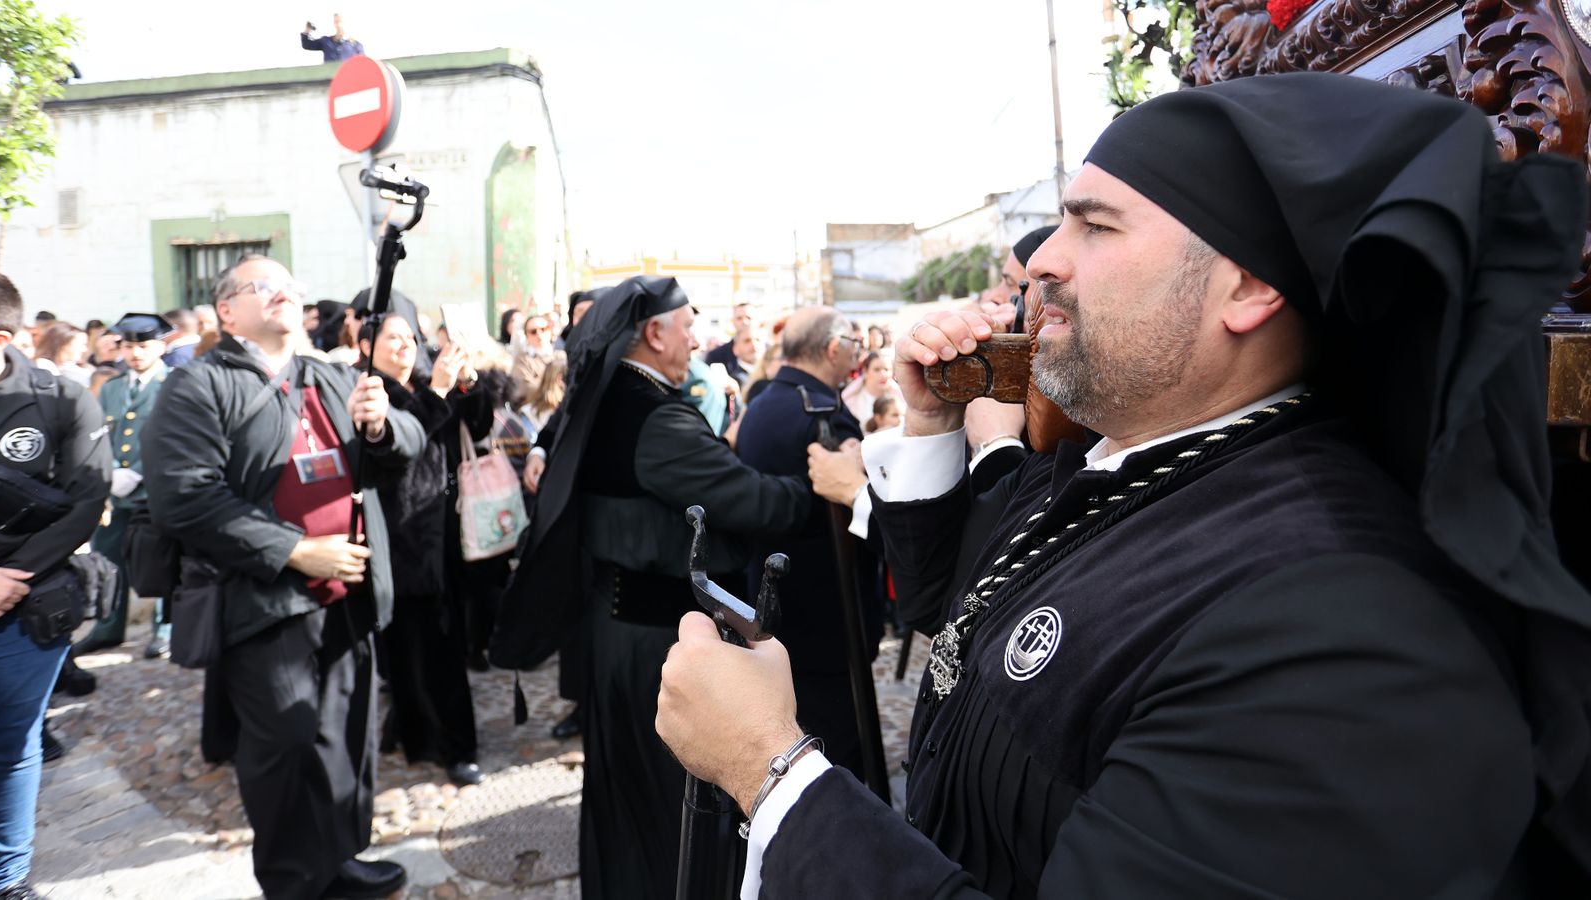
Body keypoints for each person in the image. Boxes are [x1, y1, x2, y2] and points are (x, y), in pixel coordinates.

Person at [656, 72, 1591, 896]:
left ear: (1248, 289)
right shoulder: (1113, 458)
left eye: (1094, 225)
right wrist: (937, 421)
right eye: (1060, 219)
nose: (1045, 263)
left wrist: (771, 770)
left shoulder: (1341, 624)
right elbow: (953, 606)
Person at [489, 275, 809, 899]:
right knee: (664, 803)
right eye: (687, 325)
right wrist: (814, 484)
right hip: (651, 643)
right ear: (655, 332)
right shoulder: (652, 417)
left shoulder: (609, 399)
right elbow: (750, 500)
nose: (695, 338)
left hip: (619, 631)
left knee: (627, 797)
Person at [142, 254, 423, 900]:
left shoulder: (326, 376)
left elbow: (403, 446)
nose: (282, 294)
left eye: (289, 286)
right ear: (227, 311)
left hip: (347, 592)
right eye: (261, 287)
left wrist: (379, 426)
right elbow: (184, 498)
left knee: (344, 738)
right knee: (287, 746)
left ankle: (340, 859)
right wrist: (295, 550)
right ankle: (297, 882)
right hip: (264, 602)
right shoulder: (198, 387)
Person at [0, 272, 109, 900]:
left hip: (25, 607)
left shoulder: (62, 400)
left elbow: (86, 501)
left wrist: (7, 580)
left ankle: (5, 879)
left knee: (10, 745)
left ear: (0, 338)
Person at [733, 306, 878, 773]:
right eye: (854, 347)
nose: (856, 356)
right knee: (836, 748)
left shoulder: (763, 402)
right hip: (827, 611)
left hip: (774, 600)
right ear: (834, 348)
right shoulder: (821, 413)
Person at [359, 314, 492, 787]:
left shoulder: (422, 384)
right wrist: (437, 392)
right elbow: (398, 447)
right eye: (393, 337)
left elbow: (476, 427)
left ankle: (456, 744)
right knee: (404, 645)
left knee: (441, 647)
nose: (406, 346)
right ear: (366, 345)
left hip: (442, 532)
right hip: (395, 534)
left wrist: (468, 386)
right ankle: (418, 732)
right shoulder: (370, 393)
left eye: (410, 338)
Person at [72, 313, 173, 658]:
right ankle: (108, 626)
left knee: (159, 558)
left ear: (161, 346)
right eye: (128, 346)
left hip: (155, 489)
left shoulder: (174, 383)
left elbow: (175, 436)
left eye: (143, 346)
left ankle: (165, 629)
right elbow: (99, 432)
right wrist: (111, 469)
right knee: (109, 558)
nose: (135, 353)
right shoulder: (113, 387)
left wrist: (141, 472)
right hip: (116, 491)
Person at [841, 350, 900, 424]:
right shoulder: (852, 401)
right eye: (876, 370)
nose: (883, 374)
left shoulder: (900, 398)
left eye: (886, 369)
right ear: (865, 372)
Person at [32, 322, 90, 389]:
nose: (84, 350)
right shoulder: (44, 366)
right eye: (82, 344)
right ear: (63, 344)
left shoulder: (71, 369)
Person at [703, 300, 754, 371]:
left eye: (749, 317)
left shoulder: (769, 352)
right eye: (739, 318)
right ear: (733, 321)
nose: (745, 322)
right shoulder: (717, 356)